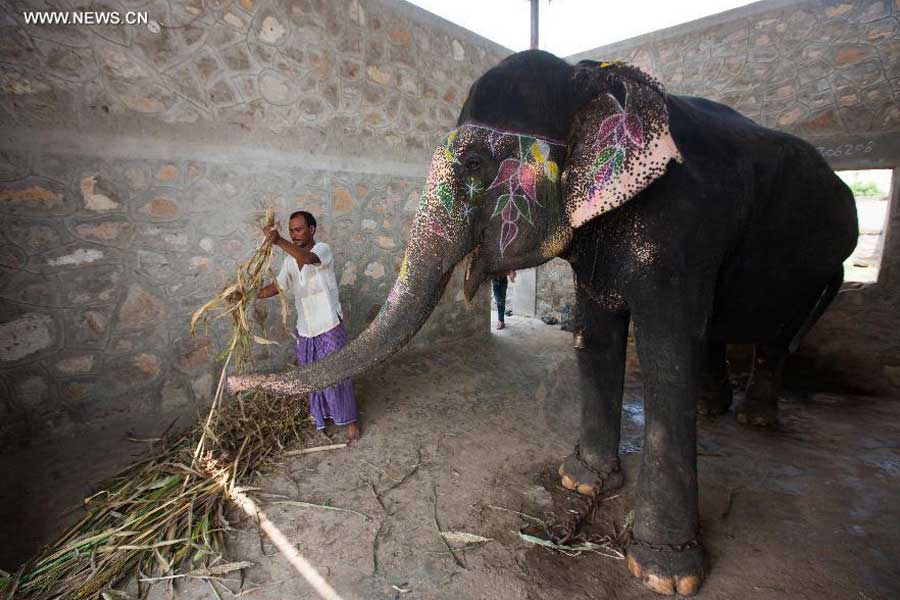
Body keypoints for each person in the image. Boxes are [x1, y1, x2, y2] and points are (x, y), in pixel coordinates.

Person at [252, 211, 360, 442]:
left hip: (328, 325)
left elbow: (309, 259)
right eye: (291, 230)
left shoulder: (322, 250)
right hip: (306, 329)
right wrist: (249, 295)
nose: (294, 234)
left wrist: (278, 240)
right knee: (312, 376)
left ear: (311, 229)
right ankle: (324, 417)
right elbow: (278, 287)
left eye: (298, 229)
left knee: (337, 373)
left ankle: (350, 420)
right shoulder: (290, 260)